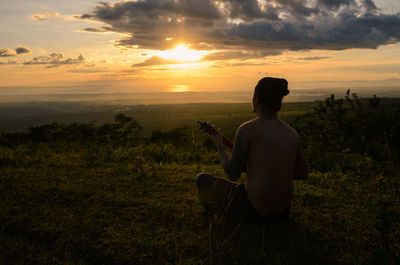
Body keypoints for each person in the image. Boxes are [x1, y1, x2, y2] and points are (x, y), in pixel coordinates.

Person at [196, 77, 308, 222]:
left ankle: (221, 209)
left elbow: (232, 173)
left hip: (254, 210)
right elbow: (302, 173)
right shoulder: (292, 134)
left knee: (202, 179)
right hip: (283, 213)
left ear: (256, 99)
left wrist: (219, 145)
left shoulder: (247, 129)